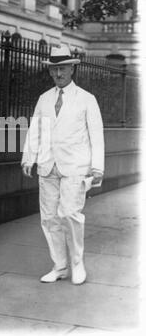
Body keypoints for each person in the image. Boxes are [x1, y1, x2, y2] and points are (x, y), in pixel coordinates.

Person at [22, 46, 104, 285]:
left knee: (70, 214)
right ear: (50, 71)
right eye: (54, 69)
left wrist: (97, 167)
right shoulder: (44, 98)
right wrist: (29, 157)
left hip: (75, 166)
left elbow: (96, 135)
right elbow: (35, 130)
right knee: (49, 218)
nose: (59, 73)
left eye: (63, 68)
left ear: (72, 68)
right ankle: (60, 266)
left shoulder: (87, 99)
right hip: (48, 165)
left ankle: (77, 264)